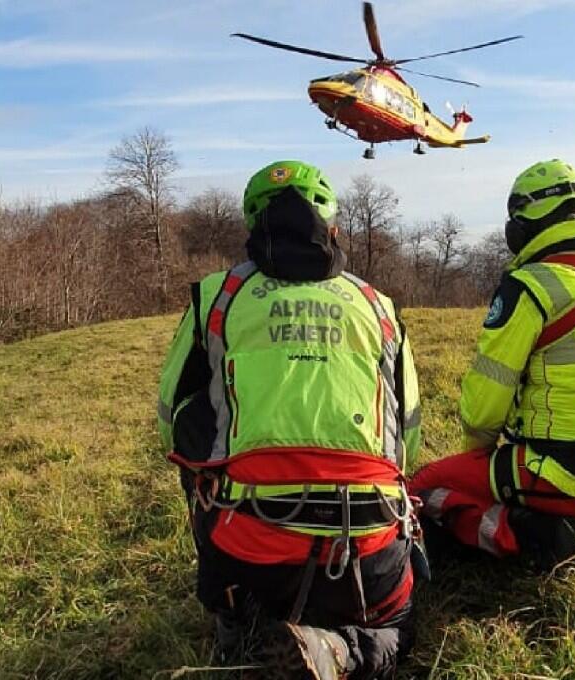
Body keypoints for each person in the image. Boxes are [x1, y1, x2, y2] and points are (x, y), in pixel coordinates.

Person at [157, 160, 422, 680]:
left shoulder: (216, 297)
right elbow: (407, 432)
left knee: (195, 443)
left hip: (249, 543)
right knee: (403, 619)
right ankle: (344, 650)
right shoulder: (379, 306)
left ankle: (232, 614)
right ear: (335, 227)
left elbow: (170, 417)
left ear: (252, 226)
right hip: (366, 547)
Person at [409, 159, 575, 570]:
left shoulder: (531, 288)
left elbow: (485, 402)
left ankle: (545, 539)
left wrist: (476, 462)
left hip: (568, 476)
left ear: (526, 221)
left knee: (426, 486)